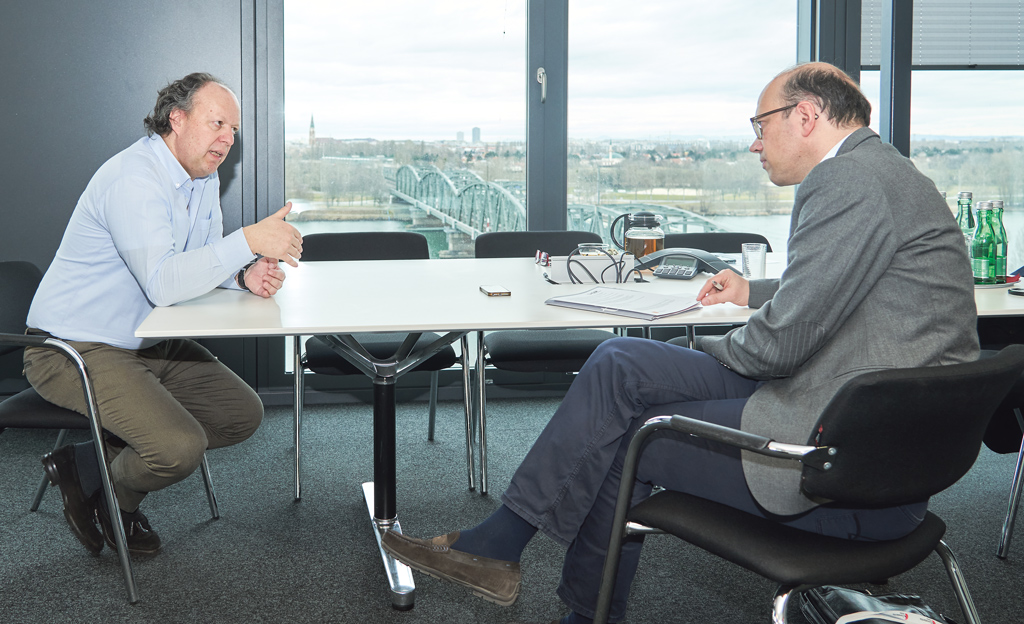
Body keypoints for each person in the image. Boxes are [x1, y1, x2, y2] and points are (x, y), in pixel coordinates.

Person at [380, 62, 980, 623]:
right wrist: (758, 288)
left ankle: (528, 567)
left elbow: (778, 348)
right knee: (619, 361)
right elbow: (851, 281)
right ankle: (505, 548)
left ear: (807, 115)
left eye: (760, 123)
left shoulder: (845, 180)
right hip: (890, 444)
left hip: (847, 463)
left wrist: (703, 351)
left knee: (626, 435)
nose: (754, 142)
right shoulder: (885, 172)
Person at [24, 72, 303, 555]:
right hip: (73, 346)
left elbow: (193, 259)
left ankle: (90, 466)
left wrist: (240, 276)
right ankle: (117, 498)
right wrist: (249, 241)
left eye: (233, 131)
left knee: (241, 415)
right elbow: (164, 282)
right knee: (178, 448)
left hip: (145, 337)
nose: (226, 140)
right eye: (217, 123)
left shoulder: (201, 177)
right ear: (176, 118)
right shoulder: (134, 178)